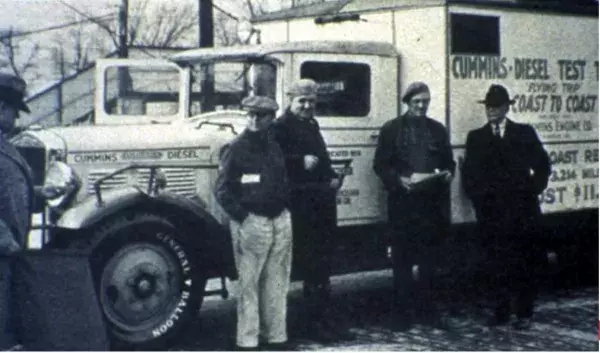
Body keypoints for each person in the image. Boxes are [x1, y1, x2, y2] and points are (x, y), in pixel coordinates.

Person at [462, 84, 551, 330]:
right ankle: (500, 311)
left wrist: (532, 191)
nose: (492, 111)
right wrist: (480, 202)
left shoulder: (524, 133)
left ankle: (524, 313)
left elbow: (543, 165)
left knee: (524, 263)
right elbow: (469, 175)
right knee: (496, 264)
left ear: (506, 107)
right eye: (489, 106)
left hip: (522, 213)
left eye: (497, 106)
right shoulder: (477, 138)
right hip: (492, 214)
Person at [272, 79, 353, 343]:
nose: (307, 106)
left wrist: (333, 177)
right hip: (301, 207)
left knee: (321, 268)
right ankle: (310, 326)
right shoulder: (279, 127)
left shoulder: (311, 124)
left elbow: (322, 159)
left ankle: (323, 321)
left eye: (311, 101)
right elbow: (272, 163)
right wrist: (298, 161)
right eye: (301, 101)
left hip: (321, 204)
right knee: (308, 266)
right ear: (290, 100)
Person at [373, 81, 456, 331]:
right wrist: (399, 180)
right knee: (402, 262)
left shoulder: (437, 129)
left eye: (425, 101)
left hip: (430, 205)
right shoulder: (392, 129)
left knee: (430, 262)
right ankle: (402, 315)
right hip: (403, 204)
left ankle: (428, 311)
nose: (421, 106)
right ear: (407, 103)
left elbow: (449, 162)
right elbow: (380, 165)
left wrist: (449, 173)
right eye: (417, 102)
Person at [214, 95, 293, 351]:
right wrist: (243, 217)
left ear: (271, 119)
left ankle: (276, 338)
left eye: (261, 116)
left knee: (276, 282)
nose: (255, 120)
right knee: (248, 285)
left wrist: (284, 209)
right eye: (250, 115)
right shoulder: (236, 148)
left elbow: (281, 179)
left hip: (279, 219)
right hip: (252, 221)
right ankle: (248, 342)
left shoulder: (274, 144)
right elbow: (223, 190)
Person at [0, 73, 33, 350]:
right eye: (14, 111)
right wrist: (3, 239)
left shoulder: (5, 145)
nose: (16, 120)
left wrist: (43, 193)